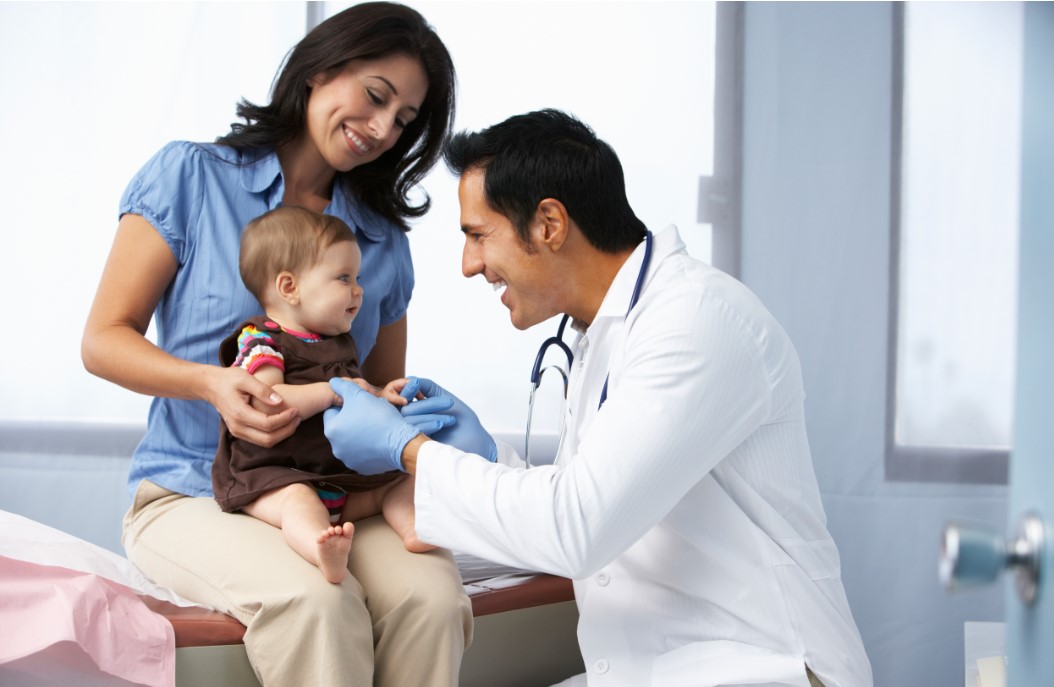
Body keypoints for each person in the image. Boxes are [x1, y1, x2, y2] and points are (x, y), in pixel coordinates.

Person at [322, 110, 874, 687]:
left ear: (550, 225)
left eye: (479, 235)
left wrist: (407, 450)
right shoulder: (603, 332)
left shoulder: (696, 321)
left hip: (764, 669)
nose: (469, 265)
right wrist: (483, 456)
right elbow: (587, 501)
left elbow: (576, 528)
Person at [80, 4, 470, 685]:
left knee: (434, 599)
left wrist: (406, 410)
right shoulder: (190, 178)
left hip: (338, 491)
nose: (381, 129)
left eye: (404, 120)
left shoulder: (381, 241)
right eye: (376, 97)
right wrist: (209, 384)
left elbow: (375, 407)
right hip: (195, 488)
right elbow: (102, 340)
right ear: (320, 68)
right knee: (320, 603)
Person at [214, 206, 444, 586]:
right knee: (298, 504)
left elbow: (354, 394)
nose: (358, 290)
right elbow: (266, 398)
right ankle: (320, 550)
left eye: (357, 278)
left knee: (402, 478)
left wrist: (381, 395)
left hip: (341, 478)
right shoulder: (261, 340)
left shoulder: (338, 344)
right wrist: (330, 391)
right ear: (290, 287)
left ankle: (413, 528)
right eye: (343, 278)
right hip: (275, 474)